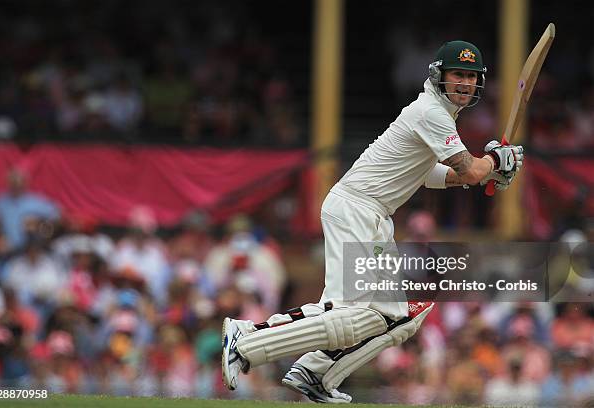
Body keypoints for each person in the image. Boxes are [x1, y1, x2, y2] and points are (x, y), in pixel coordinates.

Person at [222, 40, 524, 403]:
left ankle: (314, 373)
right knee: (348, 312)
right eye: (457, 74)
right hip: (355, 209)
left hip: (375, 217)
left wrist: (490, 169)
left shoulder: (439, 116)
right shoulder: (431, 112)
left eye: (471, 77)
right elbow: (471, 170)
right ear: (439, 76)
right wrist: (493, 163)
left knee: (397, 318)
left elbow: (434, 173)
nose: (464, 83)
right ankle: (248, 339)